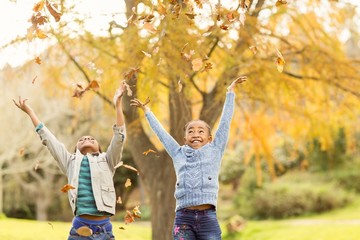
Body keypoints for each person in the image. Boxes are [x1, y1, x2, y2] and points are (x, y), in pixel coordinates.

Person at [130, 76, 247, 240]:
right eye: (191, 131)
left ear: (209, 138)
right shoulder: (178, 152)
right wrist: (147, 112)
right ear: (185, 138)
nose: (196, 134)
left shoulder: (215, 149)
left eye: (201, 131)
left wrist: (230, 93)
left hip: (208, 218)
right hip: (183, 218)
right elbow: (162, 135)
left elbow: (225, 123)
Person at [13, 82, 127, 240]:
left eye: (91, 139)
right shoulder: (70, 162)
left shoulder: (108, 160)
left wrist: (118, 104)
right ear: (75, 150)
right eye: (82, 139)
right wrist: (30, 112)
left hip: (104, 229)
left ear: (100, 149)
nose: (86, 138)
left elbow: (119, 138)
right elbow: (49, 139)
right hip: (79, 228)